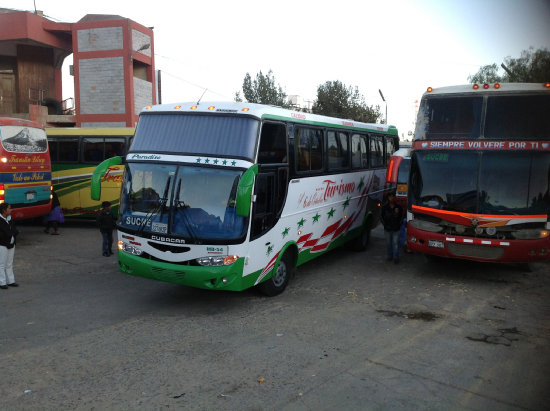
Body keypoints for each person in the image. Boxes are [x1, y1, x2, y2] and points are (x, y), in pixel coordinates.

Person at [380, 191, 404, 264]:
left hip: (396, 229)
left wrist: (399, 224)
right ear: (388, 198)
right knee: (388, 243)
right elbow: (381, 217)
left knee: (395, 243)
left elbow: (402, 216)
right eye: (390, 196)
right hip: (387, 229)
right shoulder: (384, 207)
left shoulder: (398, 207)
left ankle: (396, 257)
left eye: (393, 196)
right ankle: (390, 256)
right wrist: (384, 224)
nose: (391, 198)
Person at [0, 203, 18, 289]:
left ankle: (11, 280)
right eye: (9, 208)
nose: (11, 210)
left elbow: (15, 230)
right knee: (2, 264)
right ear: (4, 210)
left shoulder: (9, 219)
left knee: (9, 263)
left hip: (11, 244)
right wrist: (10, 234)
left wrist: (12, 234)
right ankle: (2, 282)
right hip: (3, 245)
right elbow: (4, 233)